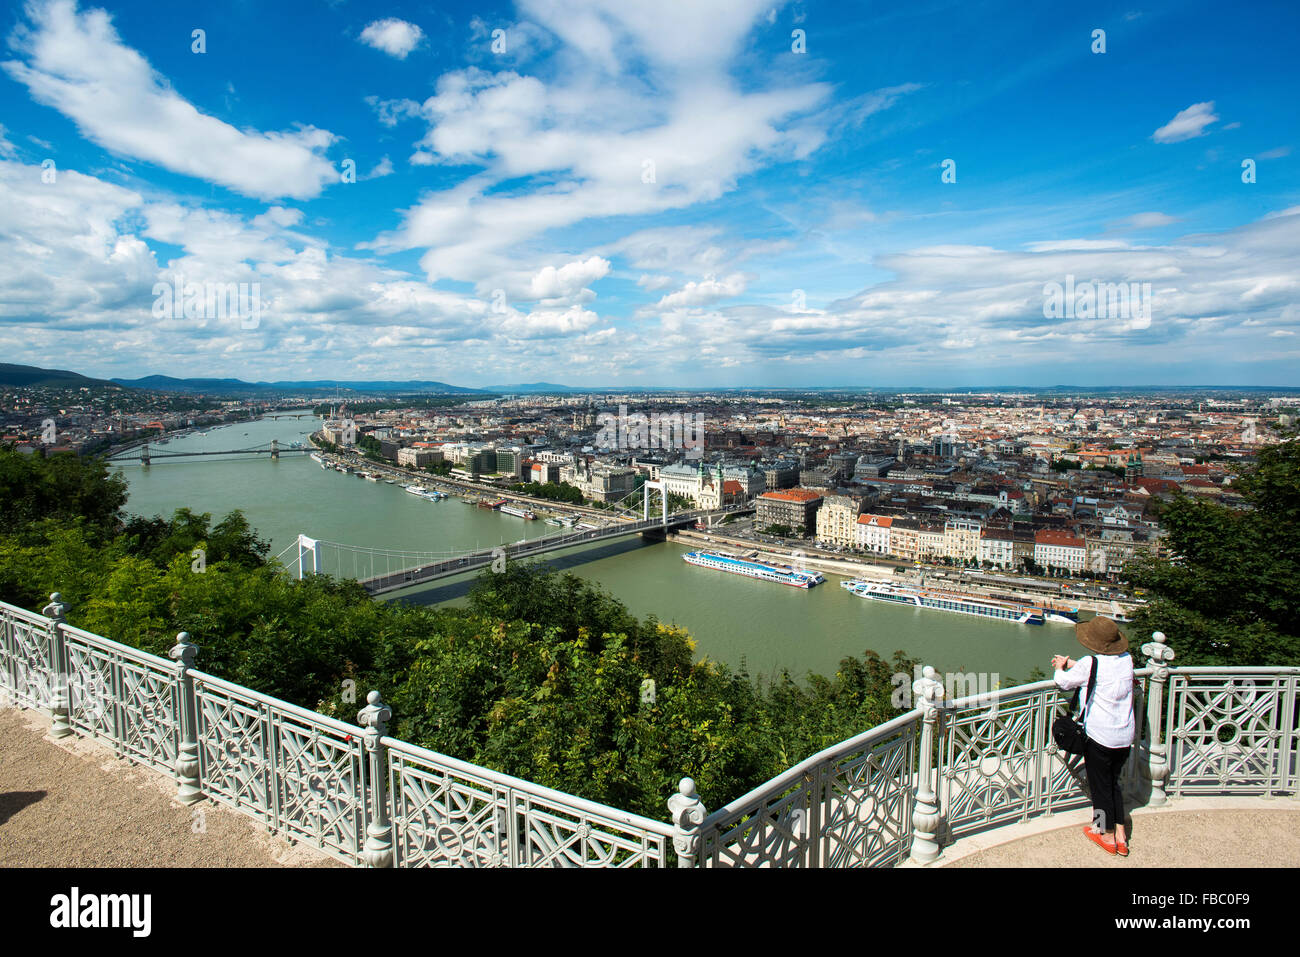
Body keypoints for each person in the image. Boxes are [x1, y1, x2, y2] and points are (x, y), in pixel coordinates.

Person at [1051, 616, 1135, 856]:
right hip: (1125, 736)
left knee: (1100, 787)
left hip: (1101, 737)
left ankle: (1105, 834)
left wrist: (1060, 667)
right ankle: (1120, 834)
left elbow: (1065, 682)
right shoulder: (1127, 660)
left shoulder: (1091, 663)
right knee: (1112, 783)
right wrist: (1075, 664)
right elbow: (1100, 671)